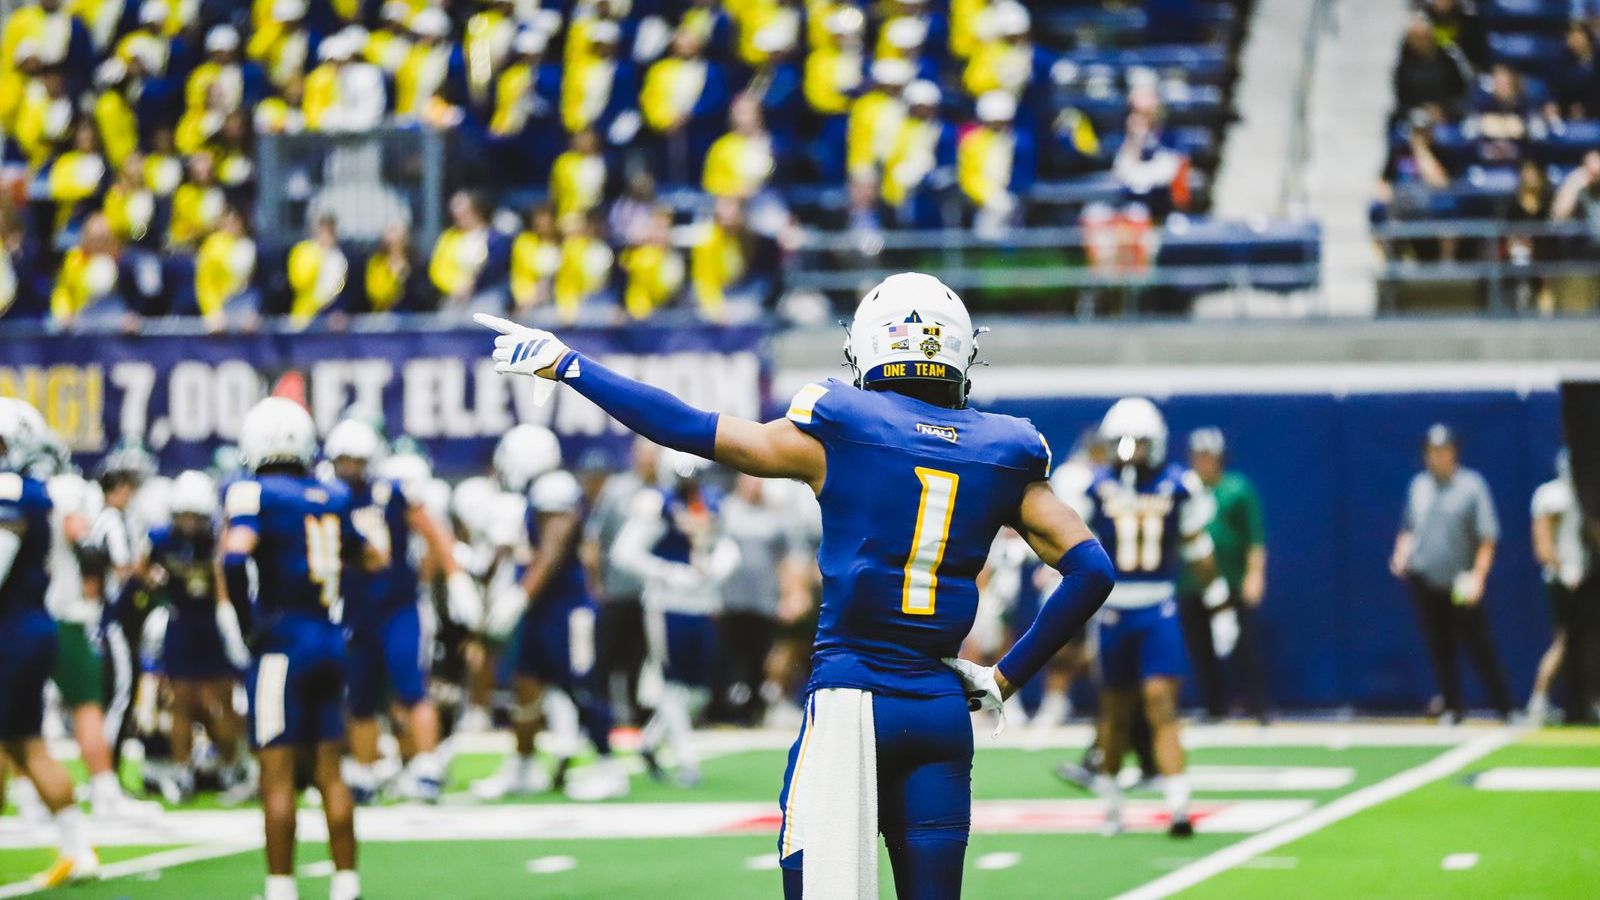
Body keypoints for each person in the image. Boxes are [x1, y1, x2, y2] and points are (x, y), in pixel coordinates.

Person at [475, 270, 1115, 898]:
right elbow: (1091, 570)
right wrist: (1004, 678)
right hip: (940, 709)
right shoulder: (1004, 451)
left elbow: (690, 428)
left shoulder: (842, 425)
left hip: (851, 701)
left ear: (866, 345)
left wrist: (569, 366)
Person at [220, 397, 386, 900]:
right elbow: (372, 556)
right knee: (330, 769)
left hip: (281, 646)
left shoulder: (253, 492)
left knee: (278, 774)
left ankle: (280, 887)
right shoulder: (333, 493)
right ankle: (346, 881)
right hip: (329, 640)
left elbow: (233, 558)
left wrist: (248, 624)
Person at [1067, 398, 1215, 837]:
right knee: (1114, 711)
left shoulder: (1177, 484)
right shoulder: (1094, 487)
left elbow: (1197, 550)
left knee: (1160, 703)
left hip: (1157, 606)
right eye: (1122, 443)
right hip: (1112, 610)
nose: (1130, 451)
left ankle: (1179, 805)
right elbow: (1075, 548)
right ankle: (1112, 802)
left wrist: (1220, 603)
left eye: (1139, 442)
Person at [323, 418, 479, 805]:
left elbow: (433, 530)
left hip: (398, 605)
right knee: (359, 694)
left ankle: (425, 766)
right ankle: (365, 769)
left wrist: (455, 577)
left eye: (355, 459)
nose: (349, 467)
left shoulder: (390, 492)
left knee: (410, 685)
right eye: (343, 459)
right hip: (355, 609)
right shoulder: (328, 496)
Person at [474, 425, 627, 802]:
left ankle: (608, 767)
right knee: (525, 683)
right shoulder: (538, 492)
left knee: (582, 686)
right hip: (545, 607)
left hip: (566, 608)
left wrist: (519, 597)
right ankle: (524, 765)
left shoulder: (554, 488)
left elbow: (553, 549)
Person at [0, 398, 100, 888]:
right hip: (25, 627)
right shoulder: (31, 488)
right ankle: (76, 848)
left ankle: (78, 847)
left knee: (27, 745)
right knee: (24, 745)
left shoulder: (13, 489)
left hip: (13, 629)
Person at [613, 451, 741, 785]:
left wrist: (719, 568)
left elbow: (726, 545)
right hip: (666, 603)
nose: (690, 486)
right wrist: (668, 572)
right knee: (671, 683)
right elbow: (625, 552)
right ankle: (687, 761)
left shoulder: (712, 502)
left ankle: (649, 741)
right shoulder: (655, 505)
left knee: (698, 690)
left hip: (702, 602)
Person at [1390, 423, 1513, 723]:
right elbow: (1408, 527)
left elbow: (1487, 537)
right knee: (1439, 646)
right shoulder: (1418, 486)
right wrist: (1400, 553)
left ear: (1454, 452)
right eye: (1431, 452)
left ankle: (1504, 707)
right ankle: (1453, 707)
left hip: (1461, 581)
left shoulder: (1471, 486)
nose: (1436, 458)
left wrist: (1478, 577)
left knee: (1477, 645)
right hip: (1425, 578)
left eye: (1442, 451)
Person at [146, 469, 244, 801]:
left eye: (195, 516)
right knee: (181, 703)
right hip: (182, 622)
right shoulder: (161, 538)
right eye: (183, 515)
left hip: (213, 624)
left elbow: (227, 579)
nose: (189, 523)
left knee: (221, 702)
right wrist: (154, 586)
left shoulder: (218, 538)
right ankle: (181, 770)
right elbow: (142, 569)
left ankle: (230, 766)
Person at [1178, 428, 1269, 722]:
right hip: (1193, 582)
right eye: (1198, 457)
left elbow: (1255, 537)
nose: (1203, 463)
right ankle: (1213, 706)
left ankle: (1257, 706)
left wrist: (1254, 575)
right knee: (1200, 647)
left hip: (1228, 579)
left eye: (1209, 457)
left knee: (1242, 645)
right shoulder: (1183, 489)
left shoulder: (1237, 488)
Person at [581, 437, 659, 726]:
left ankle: (634, 718)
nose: (649, 462)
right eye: (645, 455)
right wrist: (596, 584)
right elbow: (592, 541)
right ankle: (599, 717)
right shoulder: (617, 491)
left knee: (640, 660)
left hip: (652, 595)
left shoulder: (665, 491)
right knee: (606, 658)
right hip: (617, 591)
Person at [1528, 449, 1593, 724]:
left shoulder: (1585, 496)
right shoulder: (1555, 495)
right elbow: (1543, 544)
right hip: (1563, 578)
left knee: (1585, 643)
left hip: (1584, 577)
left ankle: (1586, 702)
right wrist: (1563, 569)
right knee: (1565, 642)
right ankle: (1539, 700)